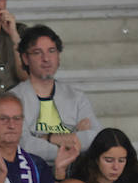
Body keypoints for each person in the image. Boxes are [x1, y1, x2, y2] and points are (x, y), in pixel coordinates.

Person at [10, 25, 100, 164]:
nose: (46, 58)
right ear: (25, 58)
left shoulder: (77, 97)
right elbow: (23, 145)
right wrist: (72, 141)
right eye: (37, 52)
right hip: (31, 173)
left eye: (51, 51)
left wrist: (47, 138)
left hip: (74, 175)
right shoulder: (13, 99)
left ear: (58, 55)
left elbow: (95, 137)